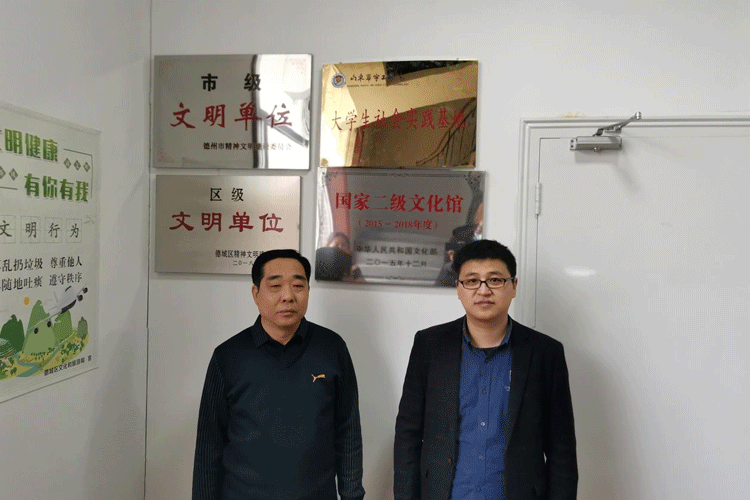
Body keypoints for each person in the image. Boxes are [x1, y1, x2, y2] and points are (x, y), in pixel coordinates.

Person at [394, 239, 577, 500]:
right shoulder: (430, 346)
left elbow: (562, 448)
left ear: (513, 286)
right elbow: (408, 434)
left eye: (495, 280)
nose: (483, 290)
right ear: (458, 288)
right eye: (472, 280)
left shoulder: (546, 353)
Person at [193, 249, 365, 500]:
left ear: (308, 291)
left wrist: (352, 495)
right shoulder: (228, 355)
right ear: (256, 294)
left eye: (298, 285)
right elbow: (209, 444)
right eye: (275, 286)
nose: (288, 296)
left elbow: (348, 432)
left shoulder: (332, 348)